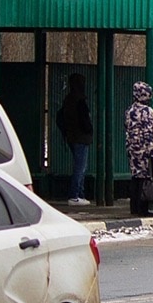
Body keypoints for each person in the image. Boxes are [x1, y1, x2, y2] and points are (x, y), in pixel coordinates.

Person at [125, 80, 153, 217]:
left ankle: (134, 207)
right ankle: (143, 208)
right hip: (145, 150)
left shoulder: (129, 110)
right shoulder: (148, 111)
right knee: (146, 177)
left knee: (135, 177)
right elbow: (151, 133)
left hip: (133, 149)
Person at [57, 73, 94, 205]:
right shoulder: (80, 100)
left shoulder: (68, 99)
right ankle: (75, 194)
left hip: (72, 136)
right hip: (81, 138)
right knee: (80, 167)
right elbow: (85, 121)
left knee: (80, 166)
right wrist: (90, 130)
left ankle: (80, 194)